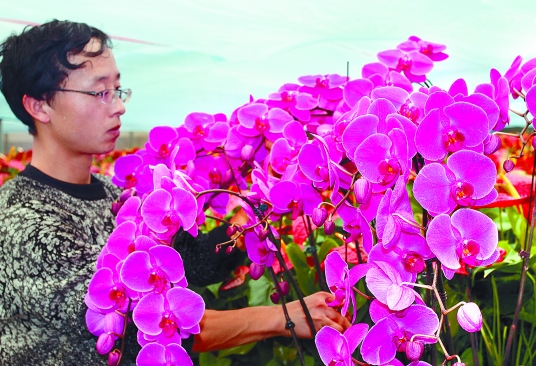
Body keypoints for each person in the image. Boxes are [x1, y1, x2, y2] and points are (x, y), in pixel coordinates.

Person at [0, 20, 350, 365]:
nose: (119, 106)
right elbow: (138, 327)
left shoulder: (114, 194)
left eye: (118, 90)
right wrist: (281, 317)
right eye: (99, 92)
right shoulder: (24, 222)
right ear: (39, 106)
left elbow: (190, 263)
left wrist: (251, 221)